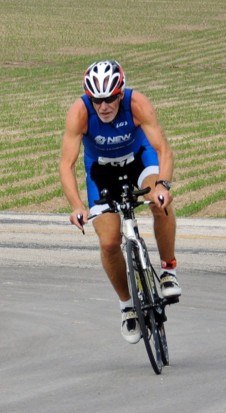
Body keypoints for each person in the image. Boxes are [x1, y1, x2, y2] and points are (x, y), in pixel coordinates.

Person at [60, 60, 181, 344]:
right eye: (97, 100)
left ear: (120, 92)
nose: (104, 106)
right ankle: (127, 305)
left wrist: (163, 185)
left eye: (110, 98)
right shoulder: (79, 112)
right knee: (109, 242)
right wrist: (77, 205)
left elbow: (163, 149)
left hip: (140, 160)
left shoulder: (137, 103)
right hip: (102, 172)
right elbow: (67, 165)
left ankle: (169, 271)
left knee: (158, 202)